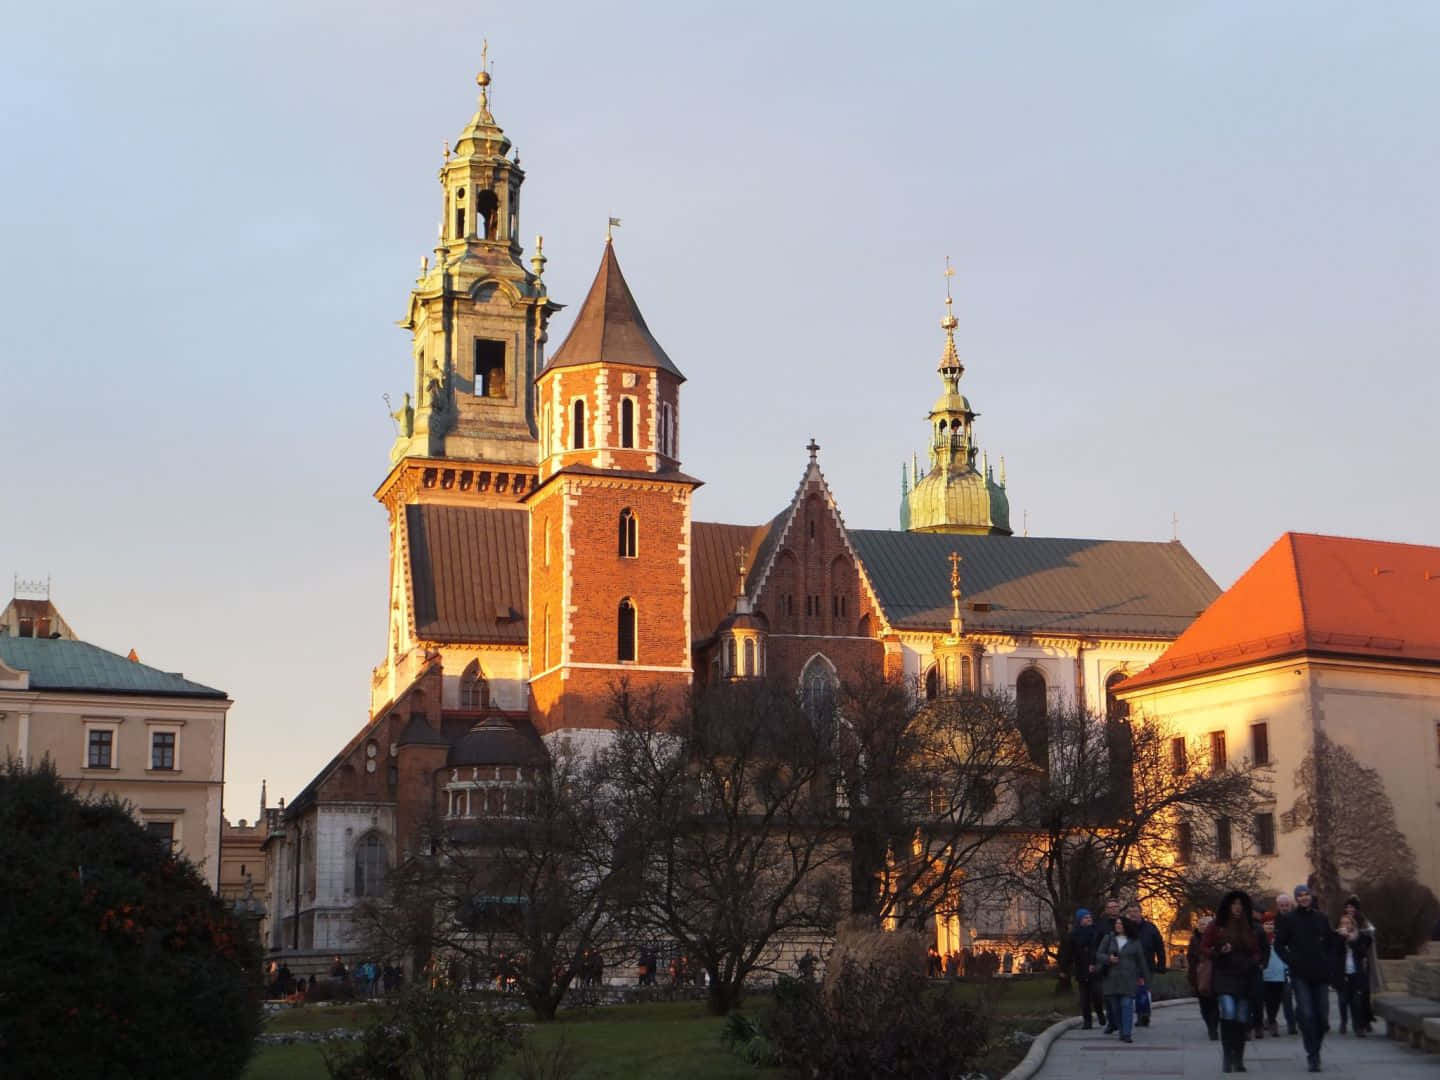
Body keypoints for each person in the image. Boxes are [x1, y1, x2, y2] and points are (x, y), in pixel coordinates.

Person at [1276, 882, 1338, 1073]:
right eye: (1300, 895)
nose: (1304, 897)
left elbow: (1330, 943)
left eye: (1306, 894)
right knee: (1308, 1014)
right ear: (1296, 899)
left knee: (1322, 1019)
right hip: (1300, 974)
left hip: (1320, 974)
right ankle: (1313, 1055)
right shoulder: (1290, 919)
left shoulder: (1321, 918)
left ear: (1311, 897)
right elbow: (1279, 945)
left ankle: (1315, 1047)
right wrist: (1291, 960)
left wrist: (1328, 962)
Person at [1203, 890, 1262, 1073]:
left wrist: (1254, 961)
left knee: (1242, 1017)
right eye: (1234, 904)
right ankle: (1227, 1056)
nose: (1237, 907)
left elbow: (1260, 950)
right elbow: (1204, 947)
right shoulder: (1217, 925)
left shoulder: (1251, 926)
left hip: (1245, 975)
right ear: (1228, 906)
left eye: (1240, 904)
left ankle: (1239, 1058)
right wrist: (1219, 952)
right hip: (1224, 974)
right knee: (1228, 1012)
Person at [1097, 915, 1149, 1043]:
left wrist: (1144, 977)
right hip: (1111, 979)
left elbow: (1141, 961)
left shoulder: (1135, 941)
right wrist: (1109, 959)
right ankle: (1121, 1030)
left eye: (1120, 923)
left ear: (1126, 926)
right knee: (1116, 1008)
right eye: (1116, 924)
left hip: (1129, 979)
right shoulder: (1109, 938)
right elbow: (1098, 955)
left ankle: (1127, 1033)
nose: (1118, 925)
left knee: (1126, 1005)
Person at [1126, 902, 1166, 1027]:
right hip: (1129, 966)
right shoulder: (1125, 928)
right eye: (1130, 912)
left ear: (1140, 912)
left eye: (1135, 911)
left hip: (1147, 965)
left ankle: (1144, 1015)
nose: (1133, 914)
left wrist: (1161, 963)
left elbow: (1159, 947)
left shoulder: (1150, 927)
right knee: (1132, 992)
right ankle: (1137, 1014)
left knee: (1143, 991)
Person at [1335, 913, 1374, 1036]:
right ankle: (1343, 1022)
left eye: (1348, 923)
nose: (1345, 925)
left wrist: (1352, 941)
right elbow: (1334, 953)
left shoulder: (1360, 937)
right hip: (1343, 973)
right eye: (1343, 923)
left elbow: (1363, 952)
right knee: (1343, 1000)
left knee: (1357, 1001)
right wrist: (1342, 939)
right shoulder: (1337, 937)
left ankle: (1358, 1027)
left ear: (1353, 924)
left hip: (1357, 973)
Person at [1068, 908, 1105, 1030]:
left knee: (1097, 994)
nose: (1089, 919)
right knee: (1084, 997)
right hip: (1081, 968)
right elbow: (1070, 952)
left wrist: (1095, 963)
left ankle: (1100, 1013)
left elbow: (1100, 949)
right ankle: (1087, 1020)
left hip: (1095, 967)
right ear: (1080, 920)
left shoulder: (1097, 932)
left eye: (1090, 917)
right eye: (1086, 918)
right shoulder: (1074, 934)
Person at [1342, 895, 1385, 994]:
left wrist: (1358, 934)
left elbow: (1370, 933)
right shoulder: (1344, 920)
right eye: (1347, 907)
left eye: (1351, 907)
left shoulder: (1363, 921)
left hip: (1361, 960)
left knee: (1362, 990)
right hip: (1348, 961)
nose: (1349, 909)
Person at [1187, 915, 1220, 1040]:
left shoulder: (1217, 939)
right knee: (1204, 1005)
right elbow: (1190, 959)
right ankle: (1210, 1025)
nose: (1203, 927)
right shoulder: (1194, 939)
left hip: (1215, 976)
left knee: (1214, 1004)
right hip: (1199, 976)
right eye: (1201, 924)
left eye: (1206, 924)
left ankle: (1214, 1028)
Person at [1273, 893, 1298, 1034]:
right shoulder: (1274, 921)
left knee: (1301, 996)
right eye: (1281, 906)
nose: (1284, 908)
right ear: (1278, 906)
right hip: (1281, 963)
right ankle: (1291, 1023)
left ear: (1291, 905)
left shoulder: (1297, 919)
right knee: (1286, 995)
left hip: (1297, 962)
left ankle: (1299, 1017)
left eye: (1286, 905)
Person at [1260, 914, 1289, 1037]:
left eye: (1271, 924)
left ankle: (1272, 1020)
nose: (1269, 926)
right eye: (1267, 924)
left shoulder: (1279, 938)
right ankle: (1263, 1022)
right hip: (1263, 974)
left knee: (1276, 1000)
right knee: (1264, 999)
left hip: (1278, 974)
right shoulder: (1258, 938)